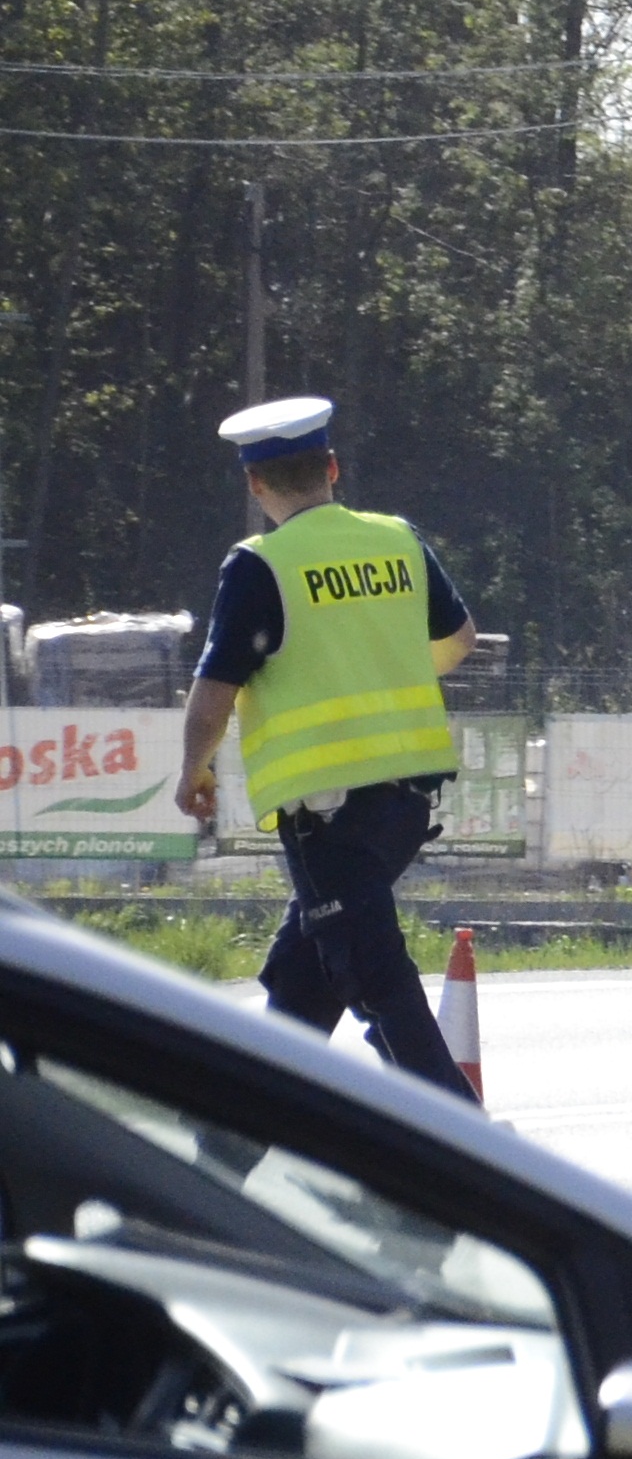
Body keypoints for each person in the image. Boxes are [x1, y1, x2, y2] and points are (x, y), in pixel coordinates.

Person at [166, 397, 480, 1099]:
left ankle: (470, 1158)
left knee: (380, 987)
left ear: (255, 485)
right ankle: (228, 1154)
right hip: (404, 808)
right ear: (332, 467)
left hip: (327, 821)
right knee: (301, 990)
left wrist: (195, 769)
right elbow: (459, 642)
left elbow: (215, 690)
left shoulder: (260, 566)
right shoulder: (398, 539)